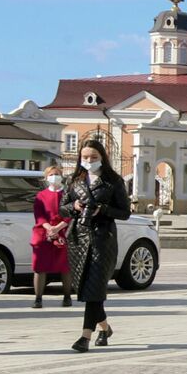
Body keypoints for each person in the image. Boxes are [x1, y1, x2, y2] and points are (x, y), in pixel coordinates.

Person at [63, 139, 130, 352]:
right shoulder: (74, 180)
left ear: (102, 158)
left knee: (95, 286)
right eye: (85, 157)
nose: (89, 161)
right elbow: (61, 208)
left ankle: (85, 337)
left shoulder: (113, 181)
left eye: (93, 157)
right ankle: (105, 328)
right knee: (86, 288)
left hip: (103, 239)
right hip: (78, 238)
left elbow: (125, 212)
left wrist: (103, 209)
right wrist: (73, 206)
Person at [31, 165, 72, 310]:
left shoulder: (67, 194)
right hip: (43, 233)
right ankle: (38, 298)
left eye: (57, 174)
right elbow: (39, 216)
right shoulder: (41, 195)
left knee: (65, 266)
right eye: (51, 174)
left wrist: (58, 228)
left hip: (63, 232)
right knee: (39, 266)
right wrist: (49, 228)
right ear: (46, 177)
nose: (54, 177)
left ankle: (67, 296)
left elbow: (70, 214)